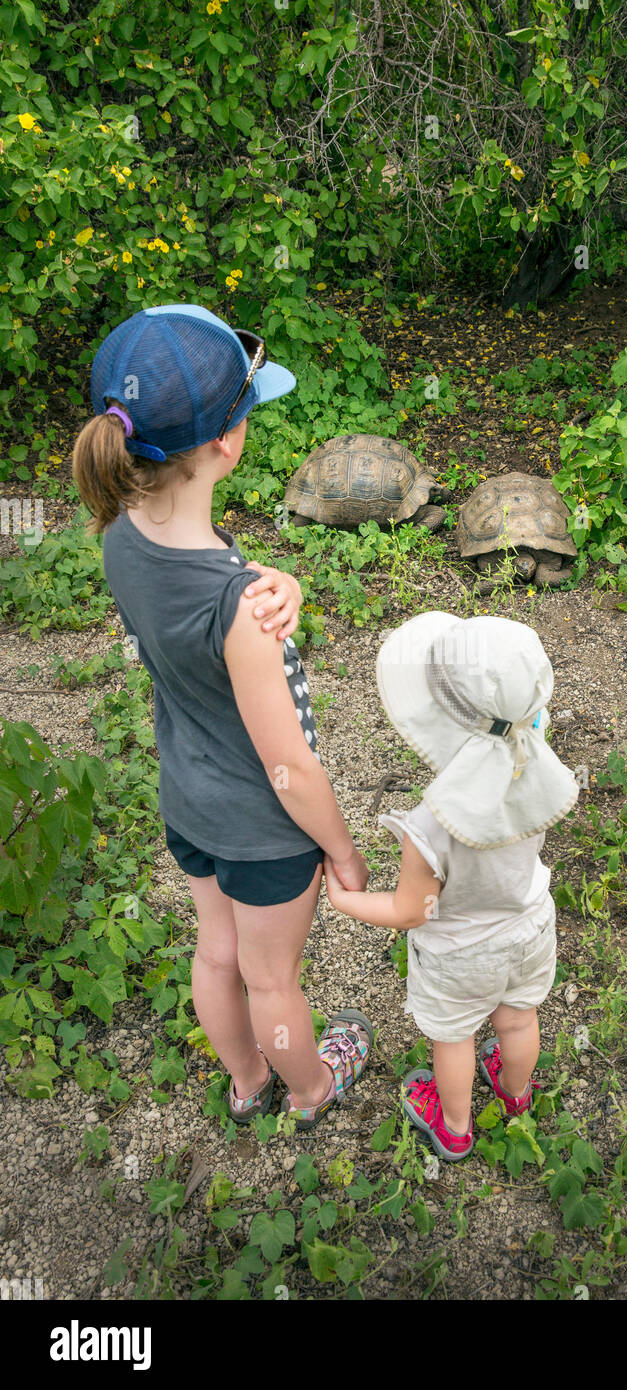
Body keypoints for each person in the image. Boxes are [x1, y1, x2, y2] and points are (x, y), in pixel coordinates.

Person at [71, 303, 373, 1131]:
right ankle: (311, 1088)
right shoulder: (236, 607)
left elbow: (197, 605)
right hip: (266, 830)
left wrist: (275, 583)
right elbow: (289, 768)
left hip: (190, 806)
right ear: (228, 442)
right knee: (272, 980)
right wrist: (340, 849)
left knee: (217, 954)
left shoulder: (119, 539)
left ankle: (245, 1083)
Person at [324, 611, 580, 1161]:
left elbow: (412, 910)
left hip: (460, 955)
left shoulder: (430, 826)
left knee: (455, 1039)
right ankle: (515, 1095)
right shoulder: (534, 768)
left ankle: (455, 1126)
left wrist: (345, 900)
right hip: (530, 928)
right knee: (517, 1019)